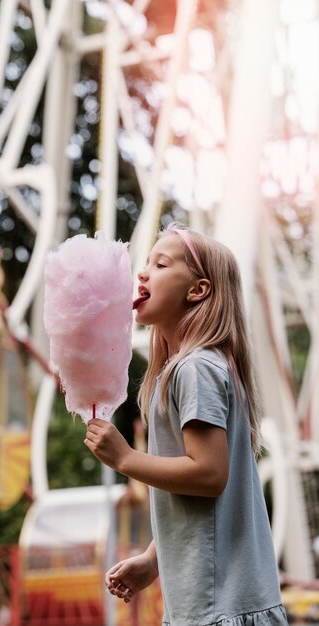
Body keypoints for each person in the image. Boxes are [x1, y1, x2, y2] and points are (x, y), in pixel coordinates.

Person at [84, 222, 288, 626]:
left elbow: (209, 474)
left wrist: (125, 458)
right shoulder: (192, 369)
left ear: (197, 291)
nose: (142, 273)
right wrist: (152, 560)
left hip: (219, 610)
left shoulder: (196, 368)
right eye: (146, 264)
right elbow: (202, 502)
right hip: (214, 605)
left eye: (160, 264)